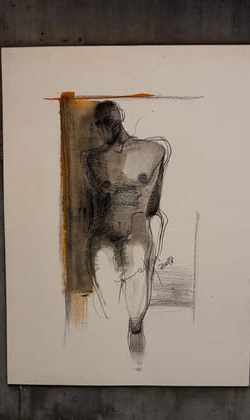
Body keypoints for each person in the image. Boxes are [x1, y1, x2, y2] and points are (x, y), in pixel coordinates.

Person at [82, 100, 171, 363]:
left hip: (136, 230)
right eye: (99, 124)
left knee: (135, 312)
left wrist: (142, 218)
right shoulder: (92, 159)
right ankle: (112, 359)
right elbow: (95, 206)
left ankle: (136, 347)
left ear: (120, 117)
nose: (103, 128)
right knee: (108, 310)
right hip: (103, 234)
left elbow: (154, 203)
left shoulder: (155, 150)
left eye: (107, 121)